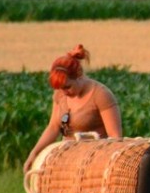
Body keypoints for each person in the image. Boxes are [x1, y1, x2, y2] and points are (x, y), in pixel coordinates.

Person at [23, 44, 123, 173]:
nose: (64, 92)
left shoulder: (101, 95)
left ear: (79, 76)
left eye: (67, 87)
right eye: (60, 88)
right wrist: (35, 153)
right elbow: (53, 127)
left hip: (95, 162)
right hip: (67, 159)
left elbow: (115, 137)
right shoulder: (60, 94)